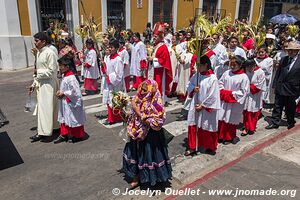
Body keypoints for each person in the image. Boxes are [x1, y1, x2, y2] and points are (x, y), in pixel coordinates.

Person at [121, 79, 172, 189]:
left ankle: (154, 177)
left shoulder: (156, 101)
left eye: (145, 90)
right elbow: (131, 114)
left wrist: (139, 112)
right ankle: (136, 177)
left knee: (150, 155)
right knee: (134, 154)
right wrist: (125, 111)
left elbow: (158, 120)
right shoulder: (137, 98)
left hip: (150, 135)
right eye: (141, 88)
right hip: (136, 132)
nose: (142, 91)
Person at [185, 55, 220, 156]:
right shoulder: (196, 76)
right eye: (197, 65)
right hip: (195, 104)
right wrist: (193, 89)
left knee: (207, 126)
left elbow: (213, 95)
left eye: (199, 65)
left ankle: (210, 146)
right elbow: (189, 85)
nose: (197, 67)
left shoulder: (212, 78)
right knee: (193, 124)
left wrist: (203, 106)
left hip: (206, 107)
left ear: (206, 65)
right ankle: (192, 147)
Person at [29, 32, 59, 142]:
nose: (35, 43)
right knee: (50, 108)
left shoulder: (50, 53)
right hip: (42, 84)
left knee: (45, 109)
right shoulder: (38, 53)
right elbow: (38, 72)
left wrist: (38, 72)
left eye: (37, 41)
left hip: (49, 84)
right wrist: (34, 83)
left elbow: (52, 71)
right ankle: (56, 127)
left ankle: (43, 132)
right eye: (35, 40)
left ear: (44, 42)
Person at [266, 41, 300, 130]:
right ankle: (275, 122)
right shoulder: (284, 59)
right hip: (281, 87)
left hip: (293, 89)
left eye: (292, 50)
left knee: (290, 107)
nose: (290, 52)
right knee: (277, 106)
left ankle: (290, 122)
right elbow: (278, 73)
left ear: (297, 51)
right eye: (289, 50)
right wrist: (275, 84)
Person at [218, 55, 250, 145]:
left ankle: (229, 137)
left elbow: (244, 92)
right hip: (224, 100)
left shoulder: (244, 77)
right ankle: (220, 136)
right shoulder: (227, 73)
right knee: (222, 118)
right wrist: (223, 92)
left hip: (234, 103)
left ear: (240, 65)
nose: (232, 66)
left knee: (231, 120)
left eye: (234, 64)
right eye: (231, 64)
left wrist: (230, 94)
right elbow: (220, 83)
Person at [54, 56, 86, 144]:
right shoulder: (65, 76)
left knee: (73, 118)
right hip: (64, 101)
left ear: (67, 66)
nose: (59, 67)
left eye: (61, 66)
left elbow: (75, 92)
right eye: (59, 65)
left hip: (70, 101)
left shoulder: (71, 78)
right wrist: (60, 92)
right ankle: (64, 133)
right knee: (64, 117)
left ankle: (77, 135)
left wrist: (64, 93)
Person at [242, 59, 266, 136]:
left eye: (250, 67)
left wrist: (248, 86)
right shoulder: (245, 71)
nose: (249, 69)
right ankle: (246, 127)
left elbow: (260, 85)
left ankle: (252, 127)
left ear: (254, 65)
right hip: (246, 94)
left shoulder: (260, 72)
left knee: (253, 112)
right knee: (246, 112)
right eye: (247, 67)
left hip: (255, 95)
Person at [102, 39, 124, 125]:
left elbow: (119, 74)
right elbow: (107, 69)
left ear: (116, 48)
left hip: (115, 84)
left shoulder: (118, 59)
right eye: (109, 47)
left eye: (112, 47)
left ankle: (114, 118)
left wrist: (110, 78)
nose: (110, 49)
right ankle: (111, 117)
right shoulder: (108, 57)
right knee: (109, 100)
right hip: (109, 82)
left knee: (114, 100)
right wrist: (103, 66)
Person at [151, 22, 173, 105]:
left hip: (159, 72)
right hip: (153, 70)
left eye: (156, 36)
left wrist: (152, 59)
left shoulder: (163, 46)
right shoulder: (155, 45)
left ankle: (159, 103)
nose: (154, 37)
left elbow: (164, 61)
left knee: (158, 87)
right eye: (153, 35)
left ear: (160, 37)